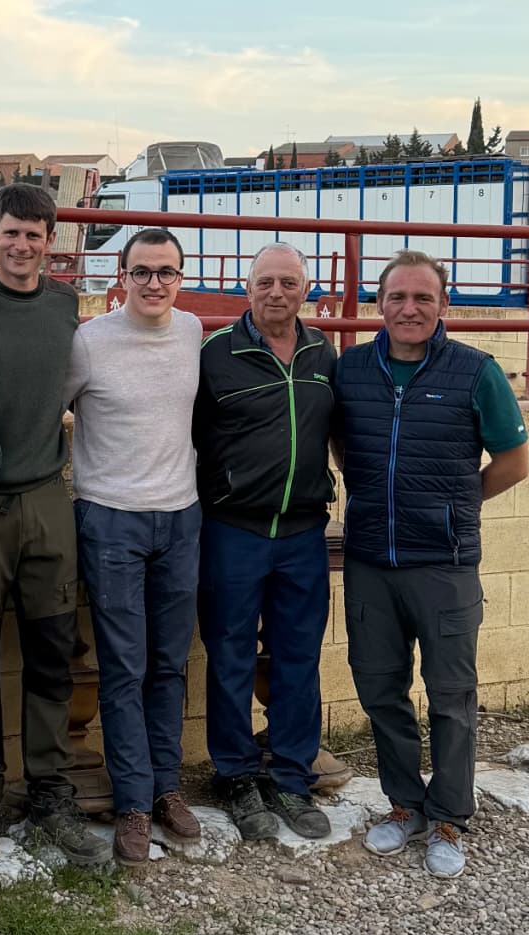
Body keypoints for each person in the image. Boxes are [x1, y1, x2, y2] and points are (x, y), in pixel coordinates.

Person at [338, 250, 529, 878]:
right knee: (380, 689)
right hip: (369, 560)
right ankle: (403, 805)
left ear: (443, 306)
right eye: (398, 297)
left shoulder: (476, 372)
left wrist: (454, 503)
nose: (410, 309)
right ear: (380, 305)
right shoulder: (353, 371)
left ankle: (448, 814)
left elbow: (512, 462)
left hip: (444, 565)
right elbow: (343, 447)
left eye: (423, 298)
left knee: (451, 695)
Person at [0, 183, 108, 867]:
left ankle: (49, 789)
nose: (21, 245)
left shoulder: (68, 306)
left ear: (51, 240)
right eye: (11, 233)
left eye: (35, 235)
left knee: (51, 654)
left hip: (46, 495)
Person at [65, 228, 204, 864]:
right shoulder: (89, 342)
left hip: (181, 518)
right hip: (111, 518)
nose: (155, 283)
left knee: (170, 663)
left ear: (182, 277)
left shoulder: (193, 333)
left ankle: (167, 788)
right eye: (142, 271)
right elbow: (47, 413)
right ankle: (132, 802)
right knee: (124, 666)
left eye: (167, 272)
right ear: (120, 276)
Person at [194, 243, 337, 842]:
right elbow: (190, 438)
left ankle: (292, 777)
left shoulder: (324, 353)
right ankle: (235, 775)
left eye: (288, 281)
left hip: (304, 531)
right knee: (229, 656)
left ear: (307, 289)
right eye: (265, 282)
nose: (276, 292)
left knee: (299, 658)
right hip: (234, 531)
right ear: (245, 288)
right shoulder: (215, 355)